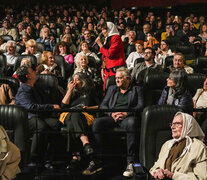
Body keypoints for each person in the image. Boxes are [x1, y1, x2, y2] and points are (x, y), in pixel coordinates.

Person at [89, 67, 144, 177]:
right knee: (96, 124)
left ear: (128, 78)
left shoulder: (137, 89)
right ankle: (98, 159)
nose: (117, 80)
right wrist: (111, 114)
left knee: (132, 122)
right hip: (112, 117)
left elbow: (140, 106)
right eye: (116, 78)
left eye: (120, 78)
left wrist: (126, 113)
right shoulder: (112, 88)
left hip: (127, 118)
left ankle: (130, 162)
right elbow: (103, 105)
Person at [15, 66, 61, 167]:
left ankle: (48, 158)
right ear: (28, 76)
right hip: (26, 117)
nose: (35, 72)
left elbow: (43, 102)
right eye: (32, 71)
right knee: (40, 126)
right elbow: (30, 107)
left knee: (56, 124)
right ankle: (33, 159)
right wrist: (51, 107)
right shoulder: (23, 90)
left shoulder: (35, 86)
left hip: (39, 115)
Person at [60, 72, 99, 171]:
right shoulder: (71, 92)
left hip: (85, 115)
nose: (75, 82)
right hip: (68, 115)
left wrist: (89, 108)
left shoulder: (90, 91)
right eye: (74, 80)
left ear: (83, 81)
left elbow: (100, 106)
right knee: (73, 113)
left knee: (73, 120)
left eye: (77, 80)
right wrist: (69, 90)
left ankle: (75, 156)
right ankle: (86, 143)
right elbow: (63, 106)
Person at [150, 112, 207, 180]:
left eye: (177, 124)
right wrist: (156, 171)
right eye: (172, 124)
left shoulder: (199, 147)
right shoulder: (167, 145)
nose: (172, 127)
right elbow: (155, 167)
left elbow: (201, 178)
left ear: (188, 125)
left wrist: (174, 176)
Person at [95, 21, 125, 92]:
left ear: (110, 29)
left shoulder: (116, 38)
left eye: (104, 29)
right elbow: (105, 56)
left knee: (114, 91)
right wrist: (103, 68)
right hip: (107, 69)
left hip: (115, 69)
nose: (102, 32)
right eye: (102, 30)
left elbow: (110, 54)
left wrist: (100, 45)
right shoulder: (107, 39)